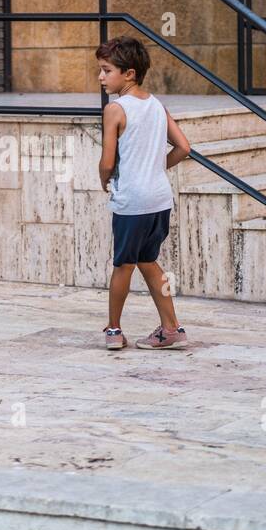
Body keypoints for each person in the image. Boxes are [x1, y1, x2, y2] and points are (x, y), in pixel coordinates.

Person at [97, 36, 191, 351]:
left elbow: (107, 161)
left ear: (130, 74)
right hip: (159, 199)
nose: (101, 77)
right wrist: (155, 167)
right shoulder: (156, 105)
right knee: (148, 261)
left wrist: (104, 179)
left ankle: (113, 330)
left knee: (123, 264)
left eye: (106, 70)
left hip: (133, 201)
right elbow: (184, 147)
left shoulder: (115, 109)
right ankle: (171, 327)